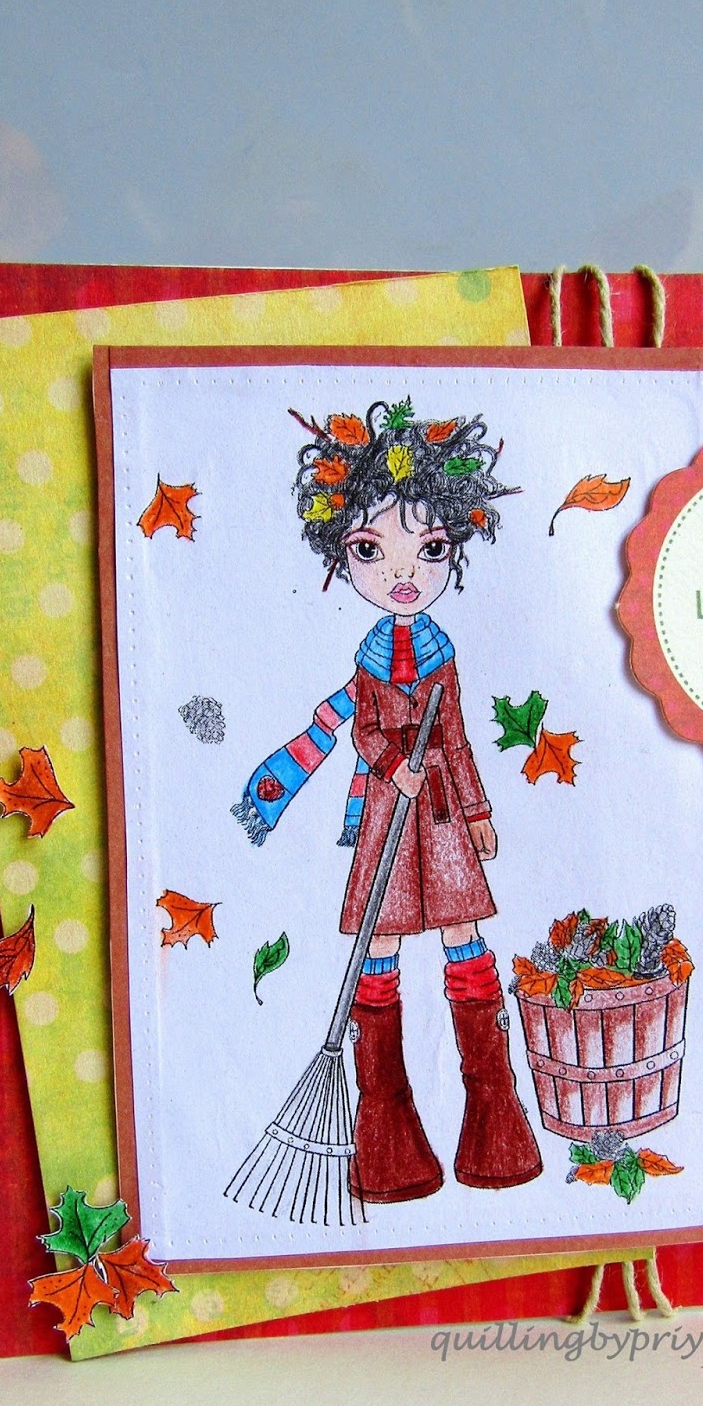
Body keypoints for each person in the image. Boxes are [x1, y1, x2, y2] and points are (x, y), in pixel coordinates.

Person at [233, 398, 542, 1202]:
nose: (404, 574)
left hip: (439, 817)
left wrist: (477, 811)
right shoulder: (370, 656)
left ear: (453, 547)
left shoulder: (441, 653)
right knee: (382, 945)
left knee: (463, 936)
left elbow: (459, 737)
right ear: (343, 552)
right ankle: (388, 1139)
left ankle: (495, 1124)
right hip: (386, 816)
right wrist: (390, 763)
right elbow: (367, 731)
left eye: (430, 549)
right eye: (372, 550)